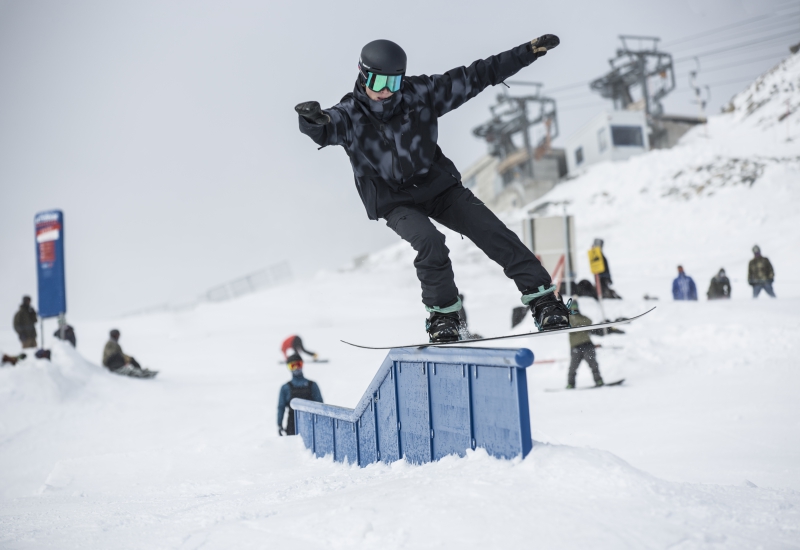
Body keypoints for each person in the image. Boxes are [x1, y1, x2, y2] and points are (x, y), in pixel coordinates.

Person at [295, 35, 570, 343]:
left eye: (393, 82)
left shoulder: (421, 94)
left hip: (439, 188)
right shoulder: (349, 114)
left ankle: (544, 302)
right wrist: (313, 121)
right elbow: (326, 128)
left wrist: (525, 53)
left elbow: (477, 75)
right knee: (430, 241)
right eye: (377, 81)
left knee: (491, 229)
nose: (385, 91)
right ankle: (443, 318)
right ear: (362, 74)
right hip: (395, 201)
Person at [277, 354, 323, 436]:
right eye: (292, 366)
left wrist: (321, 424)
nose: (296, 368)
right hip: (292, 426)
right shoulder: (285, 388)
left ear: (302, 365)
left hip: (311, 425)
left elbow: (320, 406)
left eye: (298, 364)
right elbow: (281, 407)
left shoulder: (312, 385)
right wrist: (279, 424)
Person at [566, 300, 604, 389]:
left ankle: (599, 380)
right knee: (572, 368)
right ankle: (570, 384)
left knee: (593, 365)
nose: (574, 308)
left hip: (587, 345)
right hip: (575, 347)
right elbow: (569, 324)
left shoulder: (582, 317)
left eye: (575, 306)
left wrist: (578, 322)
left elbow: (589, 321)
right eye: (573, 307)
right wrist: (579, 324)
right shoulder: (568, 318)